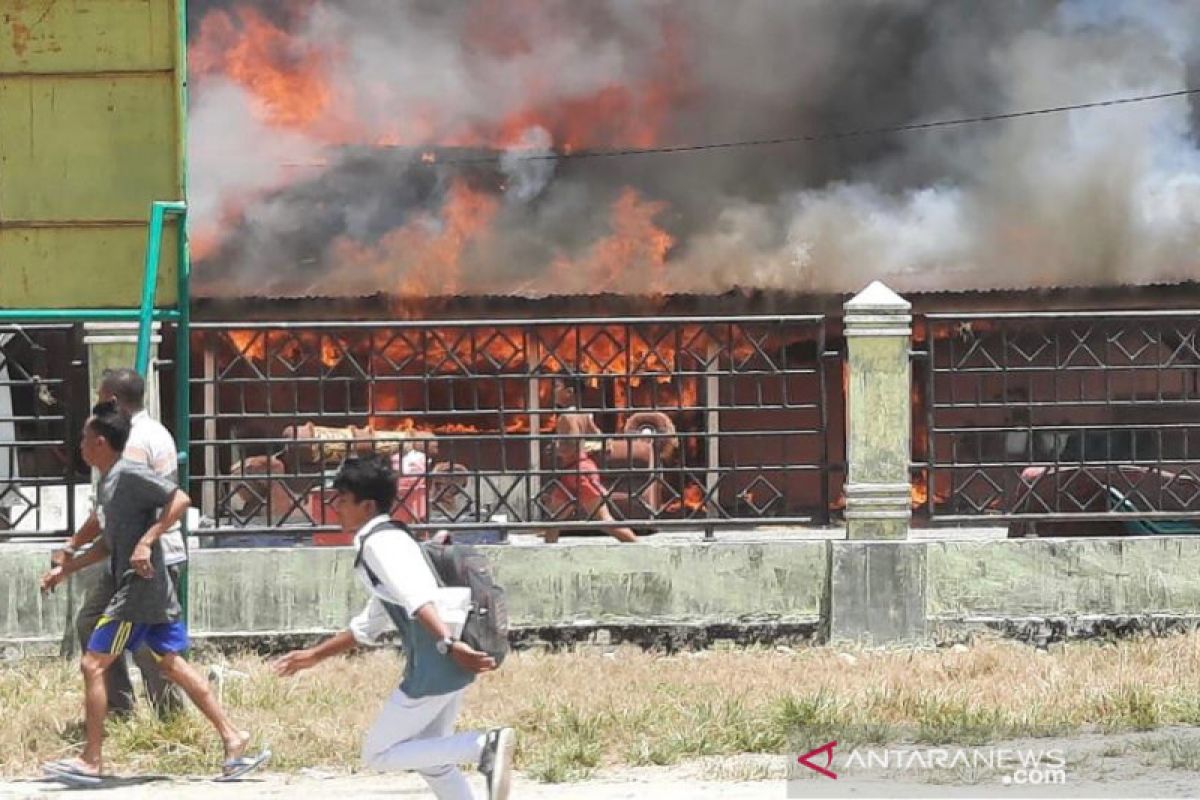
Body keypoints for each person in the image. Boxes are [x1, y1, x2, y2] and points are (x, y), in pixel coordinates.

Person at [39, 401, 268, 785]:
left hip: (137, 592)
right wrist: (66, 568)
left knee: (92, 664)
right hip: (145, 590)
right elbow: (108, 545)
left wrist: (148, 541)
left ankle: (91, 760)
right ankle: (234, 736)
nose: (79, 445)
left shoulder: (128, 474)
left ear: (98, 442)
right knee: (173, 665)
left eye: (83, 439)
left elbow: (179, 498)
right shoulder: (109, 483)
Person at [272, 455, 515, 800]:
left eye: (342, 500)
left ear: (366, 505)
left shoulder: (380, 544)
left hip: (437, 662)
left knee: (378, 754)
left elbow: (418, 599)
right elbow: (370, 623)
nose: (335, 508)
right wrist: (314, 655)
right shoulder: (389, 538)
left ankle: (482, 746)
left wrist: (448, 644)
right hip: (446, 658)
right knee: (433, 759)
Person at [53, 367, 186, 717]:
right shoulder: (154, 432)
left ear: (111, 399)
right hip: (130, 555)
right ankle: (122, 706)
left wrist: (146, 542)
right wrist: (73, 551)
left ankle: (165, 715)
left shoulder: (129, 444)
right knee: (96, 625)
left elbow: (119, 511)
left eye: (99, 397)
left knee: (145, 645)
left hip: (144, 560)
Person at [546, 376, 638, 543]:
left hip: (580, 473)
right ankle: (546, 563)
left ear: (569, 392)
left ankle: (640, 548)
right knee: (553, 521)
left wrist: (557, 448)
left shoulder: (567, 417)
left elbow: (572, 444)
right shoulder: (584, 415)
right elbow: (603, 440)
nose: (553, 391)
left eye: (557, 387)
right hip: (574, 472)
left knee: (604, 520)